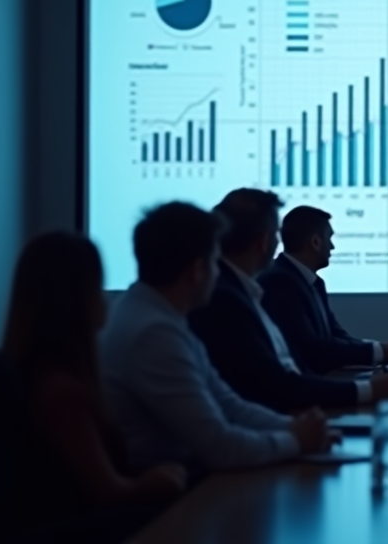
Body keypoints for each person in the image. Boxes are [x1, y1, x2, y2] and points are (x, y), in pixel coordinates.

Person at [101, 202, 335, 471]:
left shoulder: (159, 316)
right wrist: (296, 440)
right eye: (215, 263)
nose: (218, 274)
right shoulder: (154, 334)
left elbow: (228, 405)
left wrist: (294, 427)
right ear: (198, 271)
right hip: (168, 497)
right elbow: (219, 446)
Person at [0, 232, 185, 543]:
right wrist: (156, 480)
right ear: (75, 299)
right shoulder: (61, 392)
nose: (104, 298)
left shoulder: (37, 373)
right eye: (96, 287)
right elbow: (110, 493)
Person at [190, 189, 388, 411]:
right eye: (275, 235)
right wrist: (369, 386)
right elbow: (281, 379)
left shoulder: (246, 290)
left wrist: (378, 358)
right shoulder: (239, 295)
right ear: (264, 241)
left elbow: (298, 365)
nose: (278, 243)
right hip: (281, 417)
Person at [259, 205, 388, 372]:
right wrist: (384, 351)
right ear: (315, 242)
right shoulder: (280, 282)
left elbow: (337, 336)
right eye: (329, 238)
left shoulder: (313, 282)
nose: (332, 247)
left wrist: (386, 349)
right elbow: (311, 349)